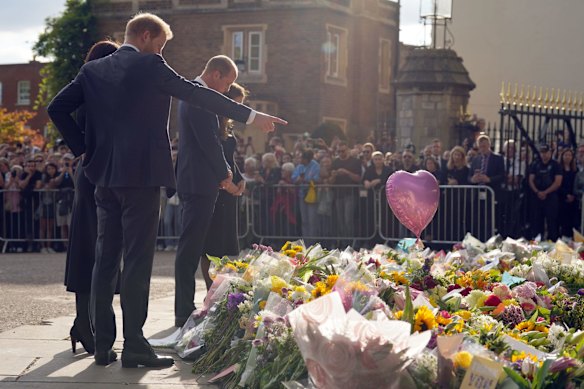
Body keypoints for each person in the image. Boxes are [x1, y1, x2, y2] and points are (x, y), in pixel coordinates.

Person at [47, 13, 286, 369]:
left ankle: (102, 344)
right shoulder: (150, 65)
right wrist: (251, 115)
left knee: (106, 259)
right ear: (145, 37)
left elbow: (57, 108)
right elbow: (198, 94)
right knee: (138, 261)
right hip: (141, 176)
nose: (160, 51)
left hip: (103, 178)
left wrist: (85, 150)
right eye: (160, 44)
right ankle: (135, 346)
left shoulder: (93, 71)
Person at [174, 56, 247, 326]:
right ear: (216, 74)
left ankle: (186, 307)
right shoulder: (200, 96)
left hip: (197, 179)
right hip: (198, 181)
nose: (227, 91)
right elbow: (208, 141)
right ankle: (183, 310)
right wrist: (224, 173)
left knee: (194, 249)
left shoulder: (197, 94)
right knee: (190, 250)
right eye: (227, 83)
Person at [62, 40, 120, 357]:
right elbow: (57, 110)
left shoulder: (92, 86)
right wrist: (81, 148)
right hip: (94, 172)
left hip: (94, 172)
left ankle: (83, 322)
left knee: (96, 253)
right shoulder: (94, 87)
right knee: (91, 253)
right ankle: (85, 324)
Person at [527, 144, 562, 241]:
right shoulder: (535, 164)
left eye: (546, 152)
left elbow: (558, 182)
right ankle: (538, 242)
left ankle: (553, 242)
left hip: (551, 196)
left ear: (550, 153)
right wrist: (538, 192)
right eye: (542, 152)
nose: (544, 155)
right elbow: (531, 180)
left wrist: (545, 192)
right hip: (537, 197)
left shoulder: (556, 165)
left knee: (552, 222)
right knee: (537, 221)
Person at [558, 148, 577, 238]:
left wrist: (572, 195)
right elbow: (558, 184)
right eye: (566, 155)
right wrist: (566, 195)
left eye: (570, 155)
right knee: (561, 219)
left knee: (570, 219)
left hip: (572, 198)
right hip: (561, 198)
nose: (568, 157)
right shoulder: (559, 169)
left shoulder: (574, 170)